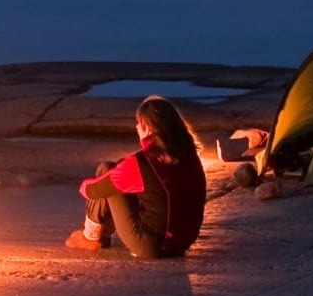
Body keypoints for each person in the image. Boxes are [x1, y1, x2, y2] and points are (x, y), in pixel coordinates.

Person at [66, 95, 207, 258]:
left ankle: (90, 237)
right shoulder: (191, 156)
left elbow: (91, 190)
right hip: (183, 242)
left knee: (106, 171)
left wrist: (105, 177)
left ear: (147, 128)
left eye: (139, 123)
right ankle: (101, 236)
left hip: (152, 246)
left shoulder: (141, 163)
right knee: (122, 177)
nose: (137, 128)